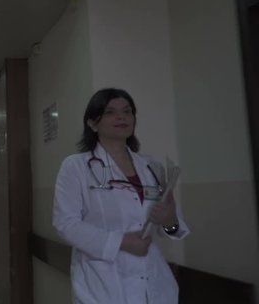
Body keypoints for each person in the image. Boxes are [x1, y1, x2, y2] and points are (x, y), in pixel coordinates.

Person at [53, 88, 189, 304]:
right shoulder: (75, 167)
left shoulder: (151, 167)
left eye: (128, 111)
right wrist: (121, 243)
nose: (122, 117)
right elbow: (65, 223)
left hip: (153, 283)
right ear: (93, 123)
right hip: (102, 285)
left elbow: (172, 227)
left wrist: (170, 221)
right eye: (110, 112)